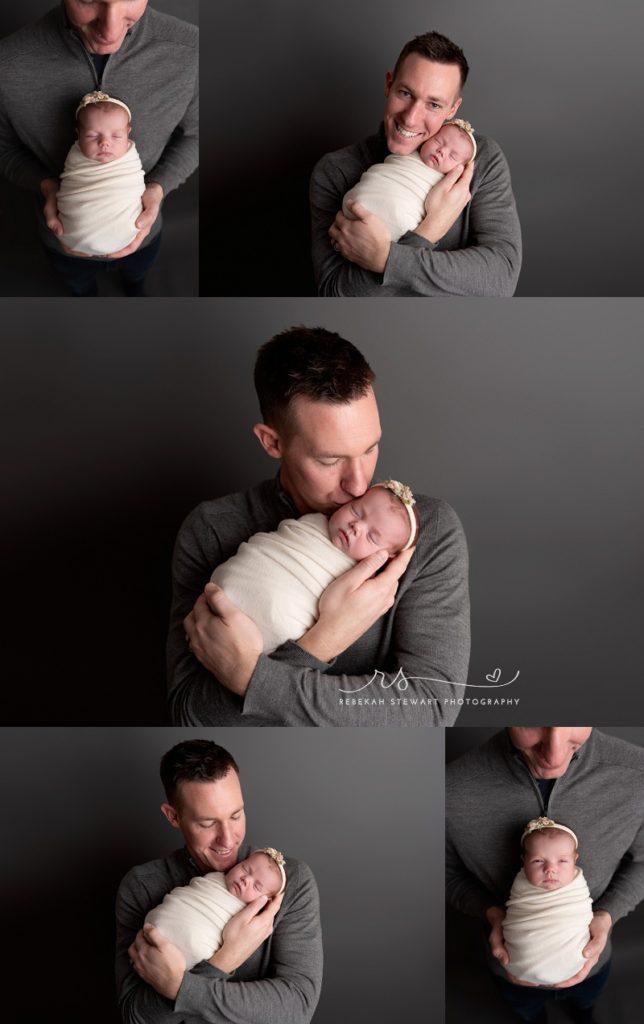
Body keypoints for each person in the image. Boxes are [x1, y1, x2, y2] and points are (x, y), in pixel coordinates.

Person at [169, 326, 471, 726]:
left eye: (370, 448)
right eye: (330, 461)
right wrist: (323, 640)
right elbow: (189, 716)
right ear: (272, 443)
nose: (359, 484)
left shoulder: (424, 532)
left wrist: (251, 680)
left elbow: (431, 709)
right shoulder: (212, 528)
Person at [446, 728, 644, 1023]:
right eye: (534, 721)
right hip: (509, 969)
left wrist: (606, 916)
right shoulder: (446, 789)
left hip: (593, 964)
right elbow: (446, 873)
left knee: (585, 1007)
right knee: (527, 1014)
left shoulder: (637, 774)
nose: (554, 754)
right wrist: (491, 914)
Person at [117, 739, 322, 1023]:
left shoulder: (288, 882)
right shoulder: (142, 885)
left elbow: (296, 1007)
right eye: (207, 823)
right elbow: (136, 1016)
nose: (228, 839)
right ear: (173, 816)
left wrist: (178, 987)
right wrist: (225, 959)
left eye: (236, 815)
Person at [0, 0, 198, 296]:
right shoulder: (7, 64)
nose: (110, 29)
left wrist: (157, 189)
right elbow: (5, 149)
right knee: (79, 290)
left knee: (137, 280)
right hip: (63, 243)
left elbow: (196, 136)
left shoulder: (191, 49)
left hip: (144, 236)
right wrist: (46, 187)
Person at [310, 30, 521, 297]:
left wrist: (387, 259)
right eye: (405, 93)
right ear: (389, 85)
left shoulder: (480, 160)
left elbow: (500, 279)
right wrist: (428, 231)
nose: (411, 119)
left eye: (434, 104)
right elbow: (335, 293)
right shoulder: (335, 171)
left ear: (452, 110)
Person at [211, 480, 419, 653]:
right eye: (356, 512)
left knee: (278, 618)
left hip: (281, 614)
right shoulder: (314, 520)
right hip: (241, 577)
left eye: (372, 537)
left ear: (388, 556)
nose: (357, 527)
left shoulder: (364, 579)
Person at [144, 848, 287, 970]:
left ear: (264, 901)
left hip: (196, 942)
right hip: (166, 918)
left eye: (257, 886)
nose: (246, 879)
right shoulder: (215, 877)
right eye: (245, 868)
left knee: (195, 946)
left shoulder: (249, 914)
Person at [342, 119, 476, 242]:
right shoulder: (407, 150)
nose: (442, 151)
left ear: (460, 169)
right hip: (362, 198)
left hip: (400, 217)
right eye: (438, 141)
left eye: (452, 156)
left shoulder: (446, 183)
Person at [500, 818, 593, 986]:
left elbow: (582, 912)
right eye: (538, 861)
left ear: (575, 859)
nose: (550, 869)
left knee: (586, 1000)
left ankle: (584, 1010)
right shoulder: (521, 884)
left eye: (563, 861)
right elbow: (517, 915)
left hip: (580, 966)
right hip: (517, 968)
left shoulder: (577, 887)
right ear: (524, 861)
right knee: (525, 1006)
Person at [57, 91, 145, 256]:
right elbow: (71, 187)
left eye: (117, 136)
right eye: (92, 135)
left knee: (136, 273)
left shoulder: (129, 159)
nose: (104, 142)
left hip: (131, 239)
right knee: (76, 279)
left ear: (128, 133)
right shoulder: (75, 156)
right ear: (78, 134)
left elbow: (134, 184)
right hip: (70, 239)